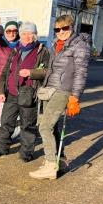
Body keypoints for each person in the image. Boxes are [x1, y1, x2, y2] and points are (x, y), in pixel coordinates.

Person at [30, 15, 91, 180]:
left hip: (63, 90)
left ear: (72, 27)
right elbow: (51, 70)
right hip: (51, 89)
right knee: (53, 128)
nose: (61, 32)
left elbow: (81, 73)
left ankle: (50, 165)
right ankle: (60, 160)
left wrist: (75, 97)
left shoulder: (80, 46)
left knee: (44, 127)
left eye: (65, 28)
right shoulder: (56, 45)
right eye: (57, 29)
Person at [0, 21, 50, 162]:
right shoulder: (16, 50)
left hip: (29, 94)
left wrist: (31, 72)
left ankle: (26, 153)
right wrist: (0, 90)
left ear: (35, 35)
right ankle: (1, 148)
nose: (27, 36)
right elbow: (5, 72)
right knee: (5, 122)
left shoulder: (42, 51)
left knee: (27, 125)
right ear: (20, 35)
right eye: (24, 33)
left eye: (30, 33)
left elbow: (47, 72)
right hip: (11, 93)